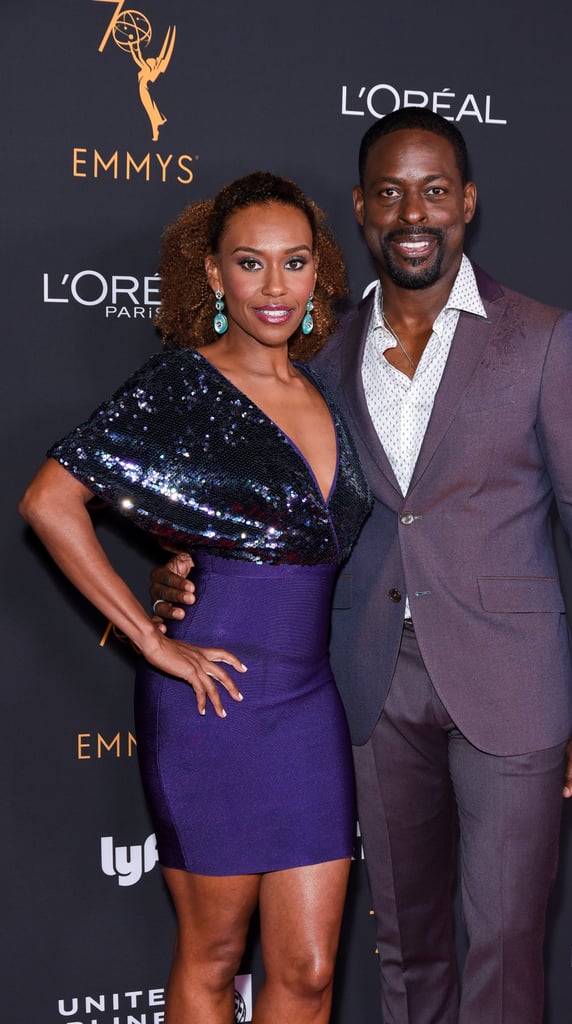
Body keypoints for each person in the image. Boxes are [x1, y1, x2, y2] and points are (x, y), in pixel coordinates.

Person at [150, 109, 572, 1024]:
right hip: (366, 681)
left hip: (511, 682)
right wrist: (183, 568)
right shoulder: (314, 352)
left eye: (434, 191)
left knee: (503, 944)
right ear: (362, 213)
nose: (413, 212)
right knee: (405, 947)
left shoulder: (541, 337)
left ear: (467, 203)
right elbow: (260, 504)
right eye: (390, 193)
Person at [19, 172, 372, 1024]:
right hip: (209, 701)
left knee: (313, 970)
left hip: (308, 703)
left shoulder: (331, 388)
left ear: (318, 273)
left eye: (294, 264)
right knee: (213, 957)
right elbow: (48, 501)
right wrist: (149, 636)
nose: (275, 287)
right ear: (214, 274)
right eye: (251, 264)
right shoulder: (180, 385)